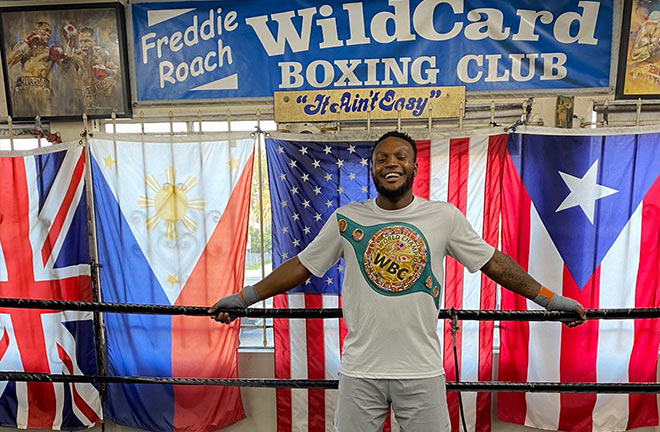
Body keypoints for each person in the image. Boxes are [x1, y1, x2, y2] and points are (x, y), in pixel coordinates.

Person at [209, 130, 587, 432]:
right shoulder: (346, 218)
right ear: (372, 169)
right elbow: (302, 265)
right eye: (382, 159)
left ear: (414, 167)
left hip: (421, 370)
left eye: (400, 157)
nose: (391, 163)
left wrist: (549, 299)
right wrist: (244, 297)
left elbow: (492, 262)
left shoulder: (443, 216)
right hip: (361, 370)